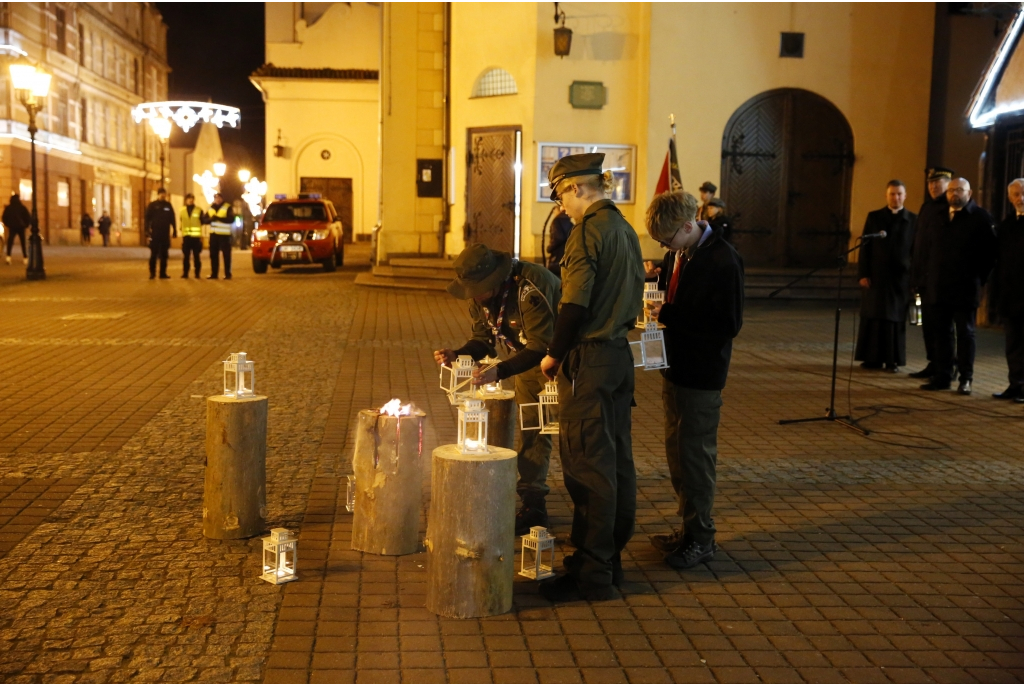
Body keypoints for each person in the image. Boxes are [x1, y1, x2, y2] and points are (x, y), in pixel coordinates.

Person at [536, 152, 644, 602]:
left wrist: (553, 355)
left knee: (588, 467)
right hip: (620, 356)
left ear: (578, 187)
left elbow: (574, 304)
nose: (561, 205)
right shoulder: (625, 230)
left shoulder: (587, 234)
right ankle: (610, 561)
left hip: (591, 359)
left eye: (561, 194)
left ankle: (592, 572)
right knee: (617, 463)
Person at [643, 191, 744, 570]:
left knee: (696, 458)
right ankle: (687, 529)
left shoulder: (723, 260)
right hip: (674, 366)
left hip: (702, 374)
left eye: (669, 239)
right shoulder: (678, 254)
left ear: (689, 226)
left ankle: (701, 537)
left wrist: (670, 312)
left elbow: (727, 325)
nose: (666, 247)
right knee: (677, 455)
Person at [434, 243, 561, 535]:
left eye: (478, 289)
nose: (473, 297)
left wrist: (500, 371)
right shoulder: (476, 295)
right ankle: (533, 504)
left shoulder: (531, 286)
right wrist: (458, 354)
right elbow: (483, 338)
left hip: (564, 362)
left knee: (571, 433)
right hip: (527, 364)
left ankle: (591, 506)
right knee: (533, 431)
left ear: (496, 279)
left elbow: (542, 344)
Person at [916, 178, 996, 395]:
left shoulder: (980, 218)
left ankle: (965, 378)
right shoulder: (938, 216)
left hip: (965, 287)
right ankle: (942, 376)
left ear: (969, 193)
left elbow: (989, 255)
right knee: (941, 333)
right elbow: (926, 250)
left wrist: (979, 279)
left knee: (965, 334)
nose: (954, 193)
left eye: (959, 190)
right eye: (951, 190)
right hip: (938, 286)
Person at [855, 180, 917, 373]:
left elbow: (917, 250)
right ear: (886, 195)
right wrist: (863, 273)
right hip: (876, 276)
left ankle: (893, 361)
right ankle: (872, 359)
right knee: (874, 316)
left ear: (905, 196)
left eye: (899, 194)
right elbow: (865, 247)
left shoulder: (913, 220)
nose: (895, 197)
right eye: (892, 194)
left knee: (894, 319)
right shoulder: (874, 217)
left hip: (900, 279)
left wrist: (914, 277)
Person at [909, 167, 954, 380]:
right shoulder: (926, 207)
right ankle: (933, 362)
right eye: (931, 183)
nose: (934, 186)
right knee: (927, 324)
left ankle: (945, 368)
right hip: (924, 279)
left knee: (942, 327)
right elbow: (919, 244)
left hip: (941, 280)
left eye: (939, 182)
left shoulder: (951, 208)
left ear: (948, 183)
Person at [989, 178, 1024, 403]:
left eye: (1023, 193)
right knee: (1013, 344)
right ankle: (1015, 384)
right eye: (1016, 194)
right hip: (1011, 296)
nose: (1020, 198)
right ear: (1010, 198)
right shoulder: (1007, 224)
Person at [145, 187, 176, 279]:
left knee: (164, 254)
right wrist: (147, 230)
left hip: (165, 233)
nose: (163, 195)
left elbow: (172, 218)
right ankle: (152, 273)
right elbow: (147, 219)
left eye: (164, 194)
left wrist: (174, 230)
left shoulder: (168, 205)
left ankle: (163, 273)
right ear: (158, 195)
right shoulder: (152, 205)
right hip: (155, 233)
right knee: (153, 254)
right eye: (161, 194)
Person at [207, 192, 234, 280]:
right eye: (216, 198)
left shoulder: (227, 207)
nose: (218, 200)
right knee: (213, 255)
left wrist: (218, 218)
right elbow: (204, 219)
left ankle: (227, 274)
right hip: (213, 235)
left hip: (224, 235)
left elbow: (231, 219)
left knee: (226, 255)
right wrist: (209, 219)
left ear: (222, 199)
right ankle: (214, 274)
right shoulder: (211, 208)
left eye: (219, 198)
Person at [545, 205, 573, 278]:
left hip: (556, 256)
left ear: (559, 210)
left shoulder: (556, 221)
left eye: (555, 211)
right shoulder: (569, 222)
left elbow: (557, 238)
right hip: (566, 254)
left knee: (554, 278)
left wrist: (549, 248)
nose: (554, 213)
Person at [180, 193, 204, 279]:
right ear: (186, 200)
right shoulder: (182, 210)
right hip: (186, 237)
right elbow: (181, 221)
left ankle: (197, 274)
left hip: (196, 237)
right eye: (189, 199)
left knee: (196, 256)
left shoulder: (199, 210)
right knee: (186, 256)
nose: (190, 200)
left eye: (192, 199)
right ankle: (185, 273)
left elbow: (202, 221)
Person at [3, 193, 30, 265]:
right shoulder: (22, 207)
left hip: (12, 227)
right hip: (21, 227)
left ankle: (8, 257)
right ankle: (25, 258)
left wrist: (8, 225)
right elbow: (28, 217)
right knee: (23, 243)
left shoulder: (9, 208)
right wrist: (26, 225)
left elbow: (4, 217)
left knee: (10, 242)